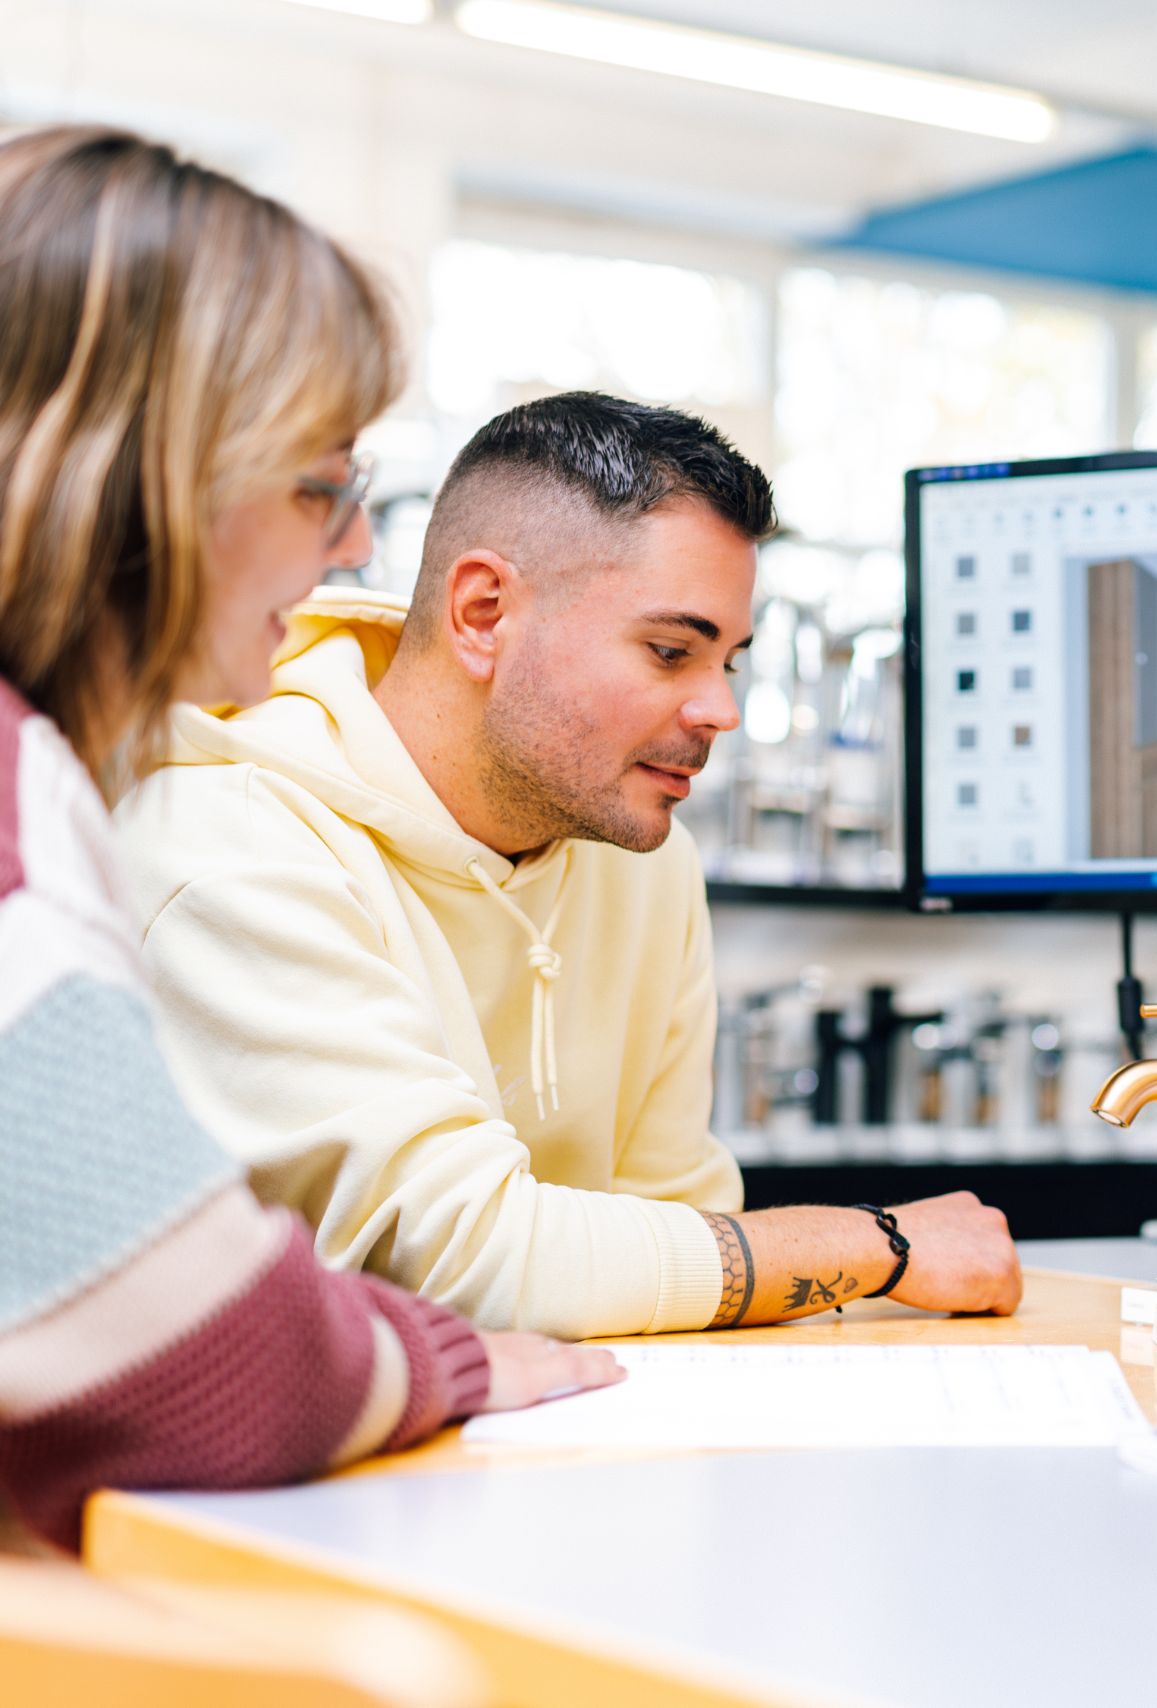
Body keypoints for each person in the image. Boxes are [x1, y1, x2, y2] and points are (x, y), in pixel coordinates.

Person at [0, 126, 618, 1555]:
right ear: (149, 476)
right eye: (317, 487)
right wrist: (445, 1359)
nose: (350, 551)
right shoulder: (22, 817)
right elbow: (211, 1364)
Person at [116, 390, 1022, 1341]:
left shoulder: (646, 862)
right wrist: (881, 1244)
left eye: (728, 663)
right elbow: (468, 1257)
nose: (720, 711)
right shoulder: (228, 841)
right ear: (483, 612)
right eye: (670, 651)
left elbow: (683, 1227)